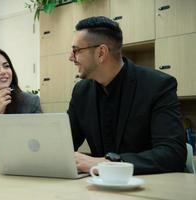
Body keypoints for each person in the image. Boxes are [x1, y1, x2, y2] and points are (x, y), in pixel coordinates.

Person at [67, 16, 187, 174]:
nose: (70, 57)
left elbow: (173, 154)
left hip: (151, 186)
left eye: (76, 51)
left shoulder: (158, 86)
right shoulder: (81, 92)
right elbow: (65, 145)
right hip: (98, 188)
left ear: (101, 53)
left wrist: (106, 164)